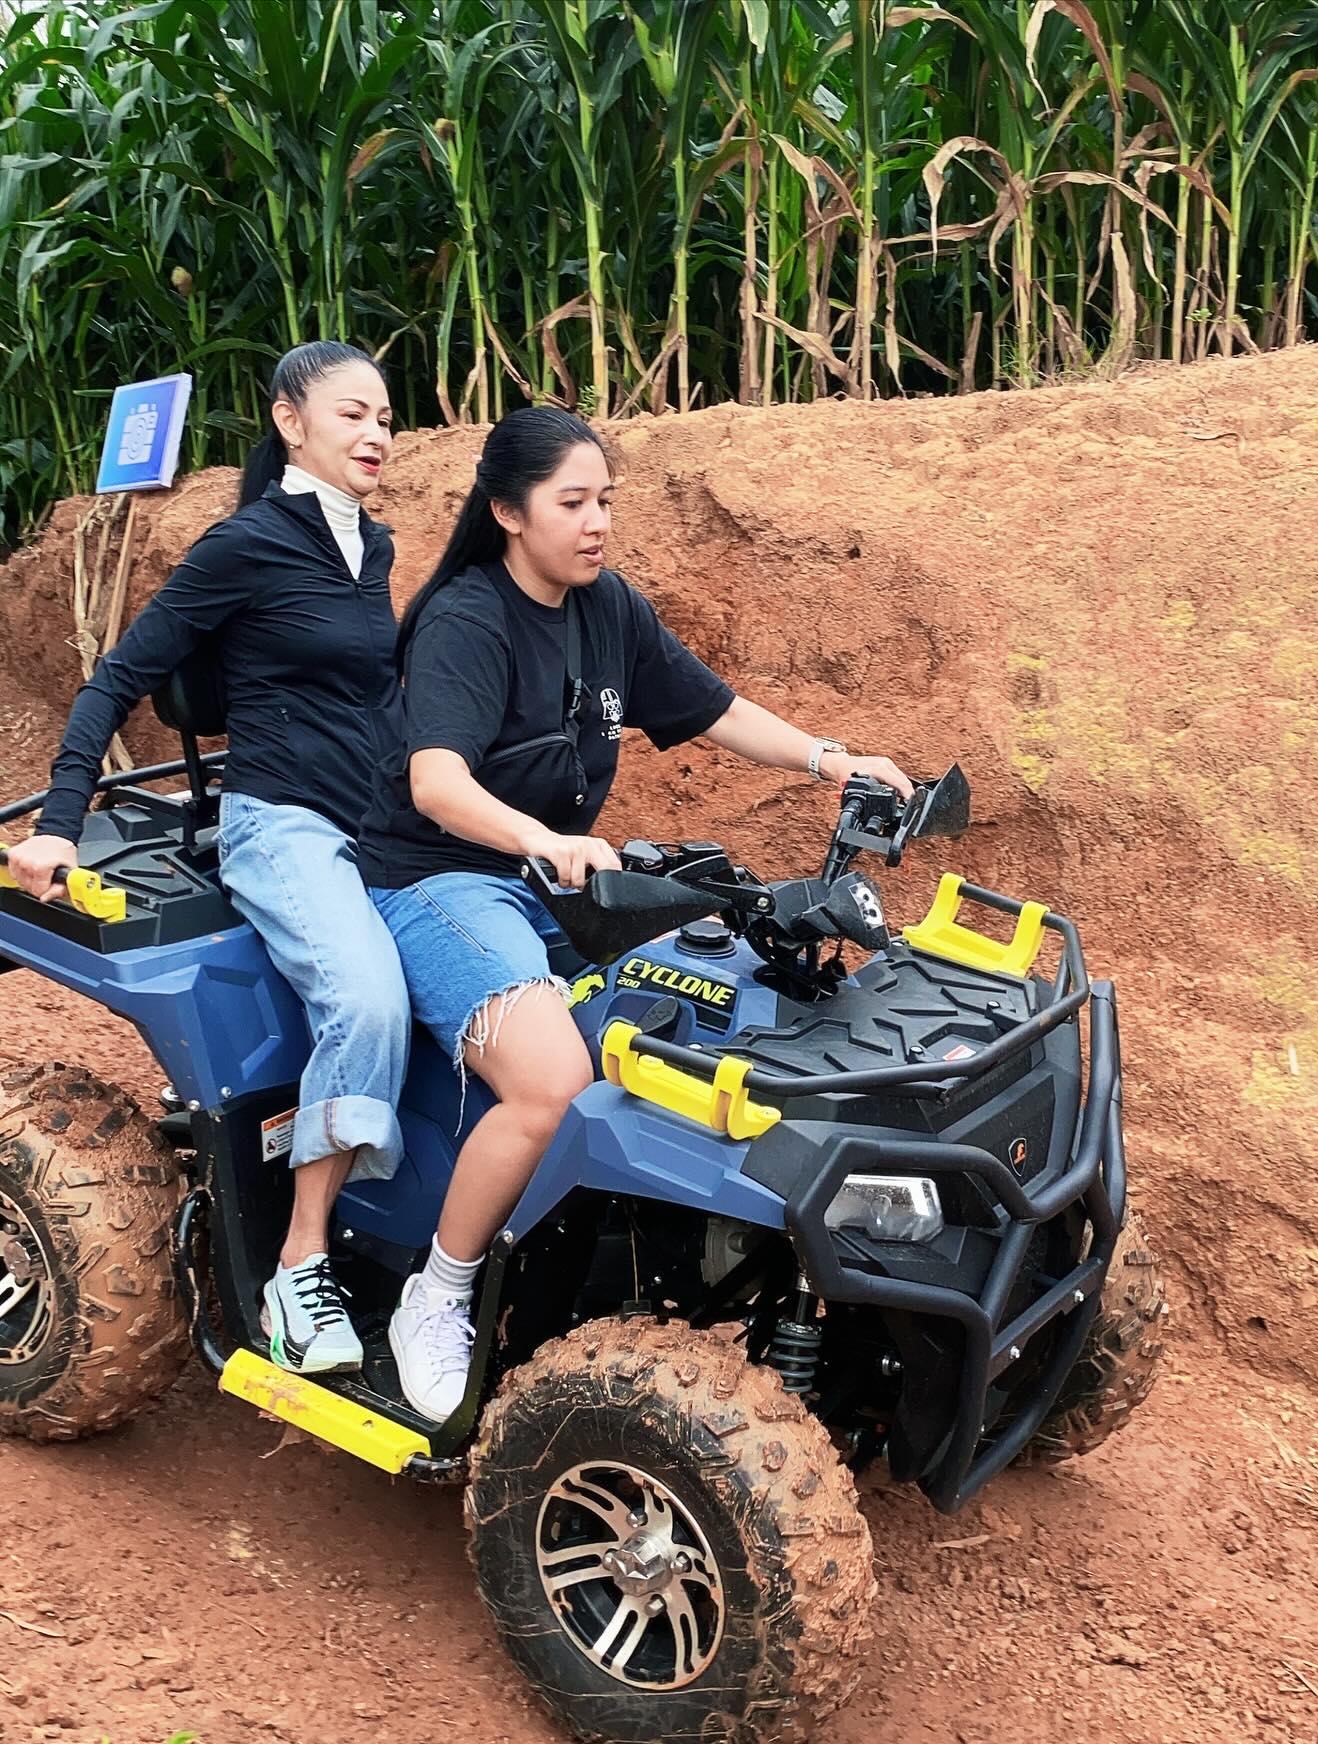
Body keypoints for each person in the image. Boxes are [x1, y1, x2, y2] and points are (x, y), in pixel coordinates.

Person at [361, 406, 912, 1421]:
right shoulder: (467, 621)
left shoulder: (605, 607)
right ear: (508, 513)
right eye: (572, 503)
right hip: (439, 881)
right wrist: (541, 838)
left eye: (605, 501)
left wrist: (831, 760)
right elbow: (435, 783)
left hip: (553, 881)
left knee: (714, 1011)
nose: (597, 522)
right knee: (552, 1083)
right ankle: (436, 1294)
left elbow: (714, 708)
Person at [8, 342, 412, 1384]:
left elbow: (376, 702)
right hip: (281, 825)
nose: (377, 434)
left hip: (374, 823)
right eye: (353, 414)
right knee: (368, 1003)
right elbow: (115, 681)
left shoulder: (371, 548)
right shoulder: (245, 544)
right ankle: (299, 1267)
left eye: (386, 418)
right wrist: (59, 822)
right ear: (290, 420)